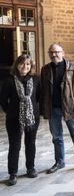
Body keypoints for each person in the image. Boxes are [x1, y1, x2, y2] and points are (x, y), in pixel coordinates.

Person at [40, 43, 74, 174]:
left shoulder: (73, 68)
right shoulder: (45, 69)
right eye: (51, 52)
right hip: (53, 108)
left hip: (70, 107)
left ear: (62, 53)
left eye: (56, 52)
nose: (54, 54)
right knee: (57, 137)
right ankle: (59, 161)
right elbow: (43, 90)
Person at [0, 55, 40, 186]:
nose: (25, 67)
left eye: (28, 64)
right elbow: (2, 100)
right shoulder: (9, 81)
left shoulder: (35, 80)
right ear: (17, 65)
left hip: (32, 118)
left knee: (30, 143)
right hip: (14, 119)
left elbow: (39, 97)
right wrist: (11, 111)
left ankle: (30, 168)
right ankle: (13, 173)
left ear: (31, 67)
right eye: (22, 64)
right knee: (15, 145)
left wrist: (32, 111)